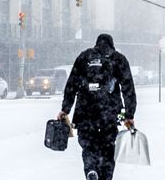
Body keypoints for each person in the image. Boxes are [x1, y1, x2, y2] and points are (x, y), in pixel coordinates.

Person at [58, 34, 137, 180]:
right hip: (109, 114)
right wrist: (129, 115)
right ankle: (106, 176)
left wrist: (65, 109)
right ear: (111, 45)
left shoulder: (84, 57)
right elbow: (128, 89)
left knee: (88, 147)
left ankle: (91, 169)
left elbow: (71, 85)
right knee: (107, 147)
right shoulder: (118, 59)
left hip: (85, 113)